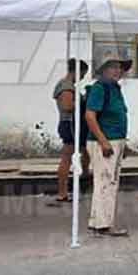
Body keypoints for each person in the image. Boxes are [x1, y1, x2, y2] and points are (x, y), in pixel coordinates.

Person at [85, 54, 132, 238]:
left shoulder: (114, 88)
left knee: (108, 182)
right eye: (113, 67)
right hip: (104, 141)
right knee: (105, 182)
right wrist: (103, 141)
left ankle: (99, 221)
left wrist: (122, 143)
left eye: (119, 67)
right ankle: (103, 224)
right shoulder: (100, 88)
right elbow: (90, 116)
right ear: (103, 70)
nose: (117, 71)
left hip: (114, 140)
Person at [52, 59, 90, 204]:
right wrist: (83, 101)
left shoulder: (67, 85)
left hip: (73, 124)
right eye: (83, 74)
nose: (82, 78)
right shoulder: (66, 86)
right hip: (70, 124)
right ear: (76, 71)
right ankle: (62, 193)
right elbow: (67, 106)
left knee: (85, 152)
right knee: (67, 158)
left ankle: (84, 178)